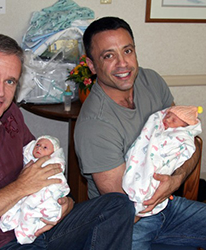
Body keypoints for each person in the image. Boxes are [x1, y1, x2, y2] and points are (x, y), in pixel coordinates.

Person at [0, 33, 135, 250]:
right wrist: (20, 188)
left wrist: (65, 203)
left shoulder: (10, 114)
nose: (0, 92)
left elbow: (43, 165)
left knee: (117, 205)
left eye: (10, 81)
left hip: (38, 224)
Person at [74, 16, 206, 249]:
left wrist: (175, 180)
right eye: (108, 55)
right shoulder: (94, 125)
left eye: (127, 51)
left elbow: (189, 140)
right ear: (92, 65)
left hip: (169, 205)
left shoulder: (151, 81)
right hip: (128, 224)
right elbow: (126, 208)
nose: (123, 63)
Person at [123, 106, 202, 216]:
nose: (167, 120)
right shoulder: (157, 128)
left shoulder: (181, 137)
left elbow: (185, 149)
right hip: (131, 213)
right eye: (167, 116)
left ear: (184, 127)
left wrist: (176, 179)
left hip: (167, 193)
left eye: (173, 120)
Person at [0, 135, 70, 244]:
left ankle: (32, 224)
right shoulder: (28, 162)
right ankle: (26, 226)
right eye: (37, 145)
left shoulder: (54, 164)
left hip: (46, 192)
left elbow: (58, 182)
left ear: (53, 153)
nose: (39, 148)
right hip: (24, 192)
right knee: (25, 205)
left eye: (45, 147)